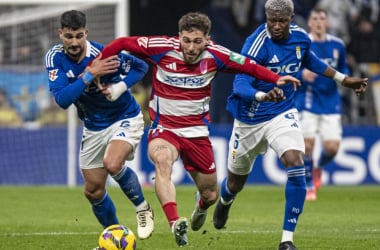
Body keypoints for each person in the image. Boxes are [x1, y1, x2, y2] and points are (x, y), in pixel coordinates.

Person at [98, 11, 301, 247]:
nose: (191, 47)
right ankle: (175, 223)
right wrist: (99, 64)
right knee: (163, 161)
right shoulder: (161, 47)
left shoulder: (217, 55)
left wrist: (275, 79)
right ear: (179, 37)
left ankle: (201, 207)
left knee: (210, 194)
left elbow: (249, 66)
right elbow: (122, 43)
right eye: (186, 40)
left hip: (197, 132)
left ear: (207, 39)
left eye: (197, 41)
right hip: (165, 128)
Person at [212, 0, 368, 250]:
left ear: (291, 18)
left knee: (296, 161)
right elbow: (239, 84)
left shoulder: (300, 38)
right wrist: (263, 95)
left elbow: (311, 60)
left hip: (281, 113)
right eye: (271, 19)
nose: (275, 25)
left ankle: (287, 240)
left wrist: (343, 79)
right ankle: (225, 201)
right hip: (249, 119)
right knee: (235, 183)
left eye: (281, 20)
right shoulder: (256, 44)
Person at [44, 10, 154, 240]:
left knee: (112, 163)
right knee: (93, 191)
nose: (74, 42)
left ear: (86, 33)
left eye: (78, 36)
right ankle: (117, 238)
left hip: (124, 116)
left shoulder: (104, 54)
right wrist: (88, 76)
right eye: (69, 36)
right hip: (93, 126)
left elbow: (141, 67)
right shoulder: (54, 58)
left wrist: (118, 88)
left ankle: (143, 208)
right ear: (60, 34)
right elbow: (63, 100)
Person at [295, 8, 350, 201]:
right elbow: (292, 67)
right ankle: (309, 185)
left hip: (330, 100)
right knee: (307, 145)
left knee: (333, 148)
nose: (318, 22)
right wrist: (302, 74)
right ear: (309, 23)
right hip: (308, 100)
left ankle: (318, 167)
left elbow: (343, 67)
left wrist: (342, 78)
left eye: (322, 19)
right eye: (315, 19)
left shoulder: (338, 45)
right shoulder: (303, 43)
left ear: (327, 23)